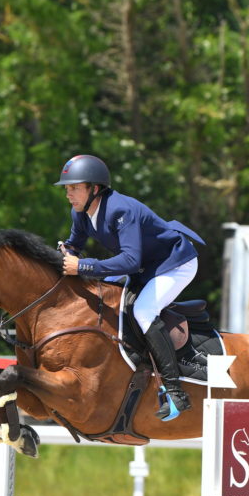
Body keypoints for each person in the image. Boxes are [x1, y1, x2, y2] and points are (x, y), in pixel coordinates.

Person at [55, 154, 204, 419]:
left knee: (143, 311)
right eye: (67, 188)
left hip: (175, 263)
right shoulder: (80, 212)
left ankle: (175, 392)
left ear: (95, 189)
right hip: (146, 265)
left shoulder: (121, 210)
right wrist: (65, 252)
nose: (69, 194)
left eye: (74, 188)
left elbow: (130, 260)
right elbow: (75, 243)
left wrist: (83, 266)